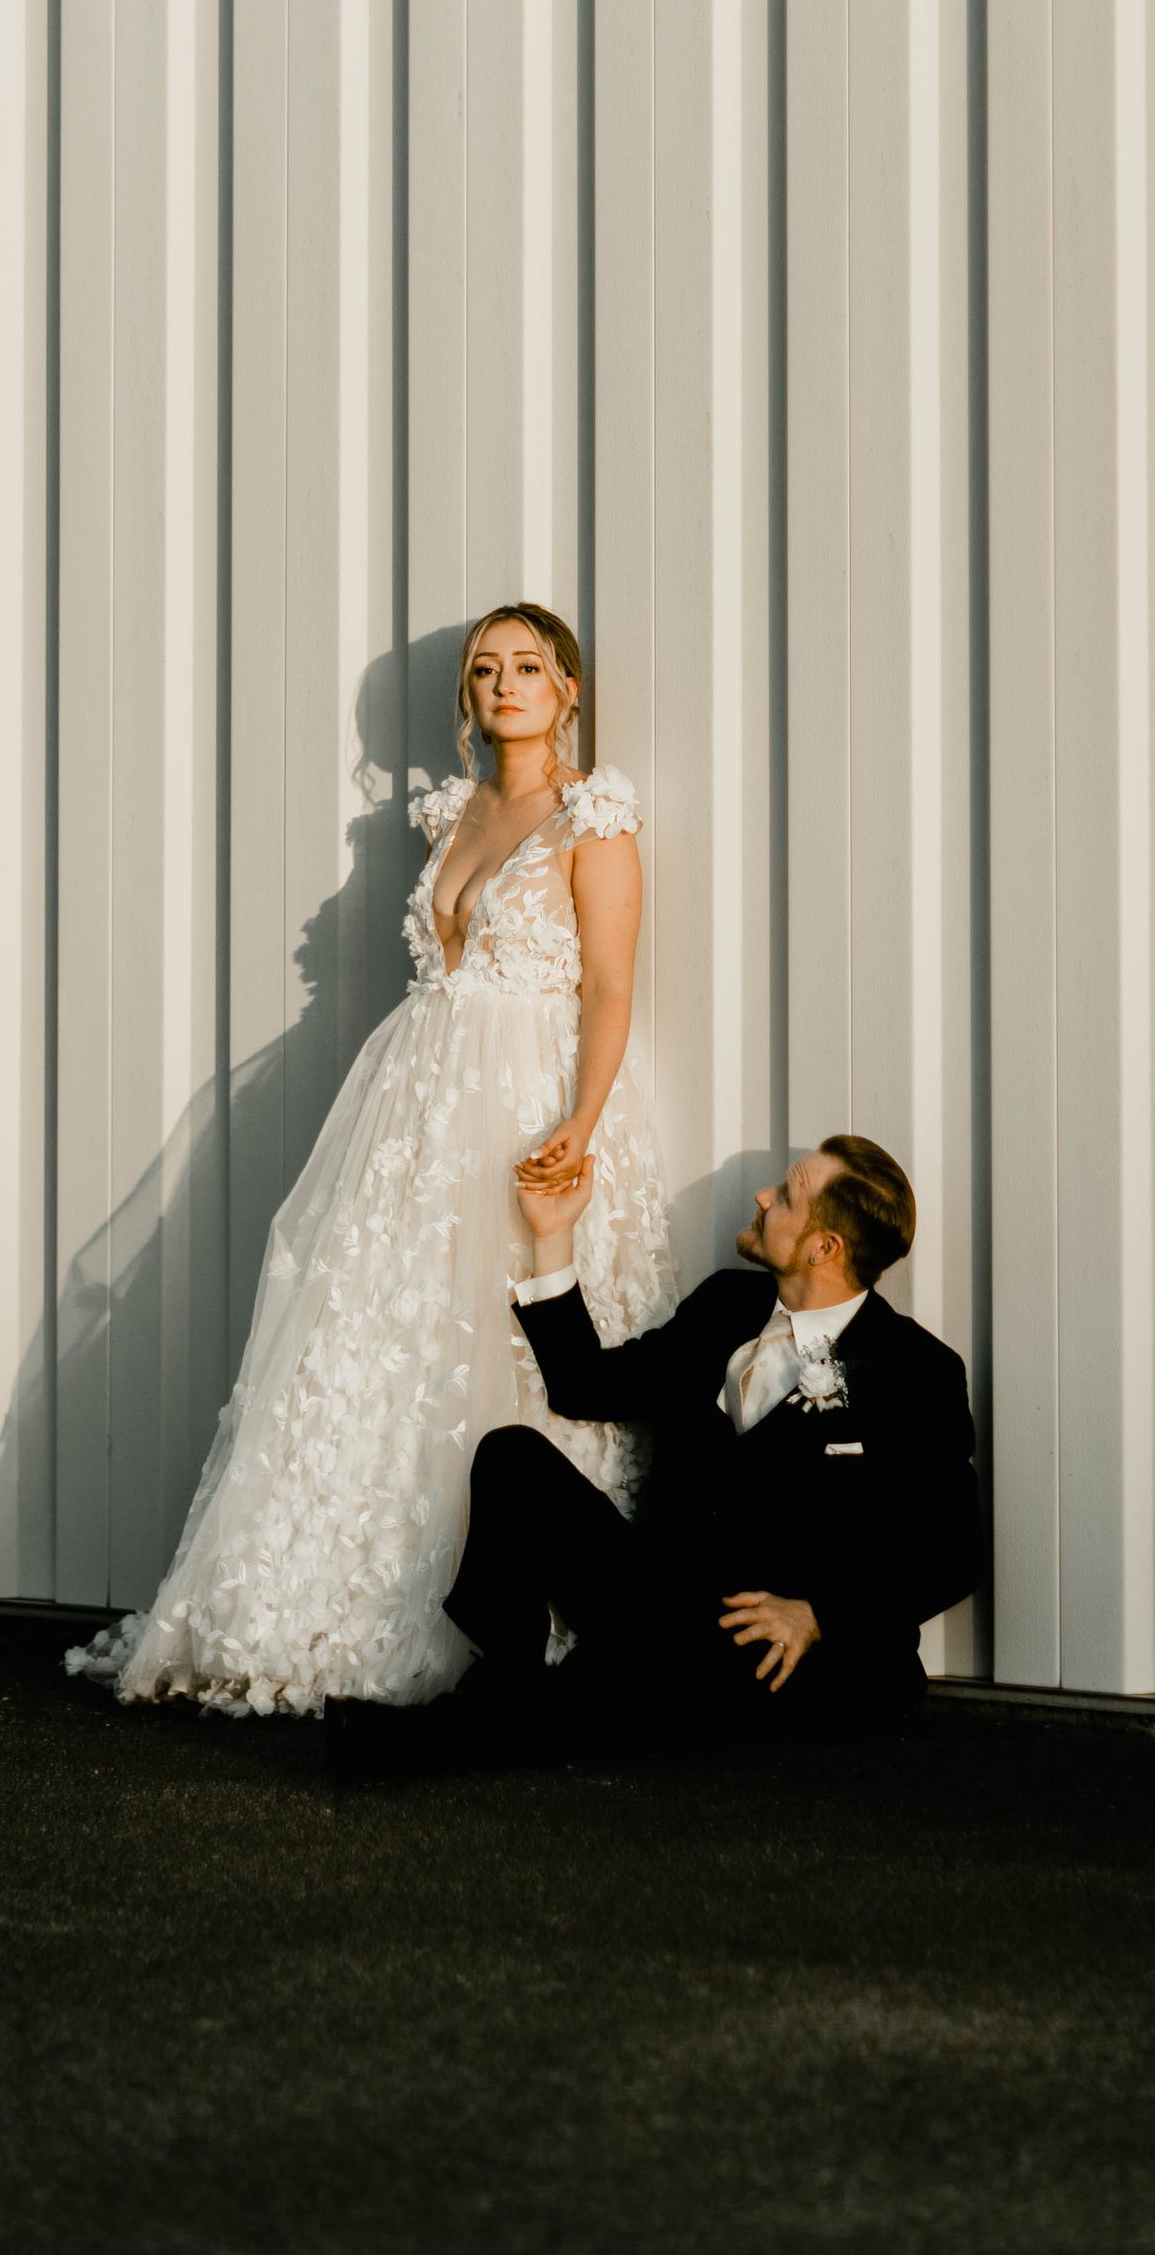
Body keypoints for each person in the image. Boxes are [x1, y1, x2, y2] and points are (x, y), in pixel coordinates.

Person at [68, 604, 676, 1715]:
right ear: (466, 696)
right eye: (484, 669)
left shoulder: (594, 814)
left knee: (505, 1334)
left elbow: (608, 986)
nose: (505, 685)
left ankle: (511, 1599)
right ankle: (317, 1595)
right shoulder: (454, 811)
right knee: (380, 1331)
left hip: (525, 1091)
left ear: (568, 688)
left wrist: (577, 1125)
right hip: (417, 1099)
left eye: (528, 667)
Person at [426, 1133, 981, 1751]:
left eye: (788, 1196)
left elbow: (955, 1550)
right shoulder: (725, 1304)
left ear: (825, 1247)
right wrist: (552, 1233)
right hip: (661, 1605)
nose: (763, 1197)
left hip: (771, 1653)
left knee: (627, 1697)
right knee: (512, 1458)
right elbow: (585, 1387)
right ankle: (513, 1681)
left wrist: (820, 1615)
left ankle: (475, 1721)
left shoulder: (918, 1371)